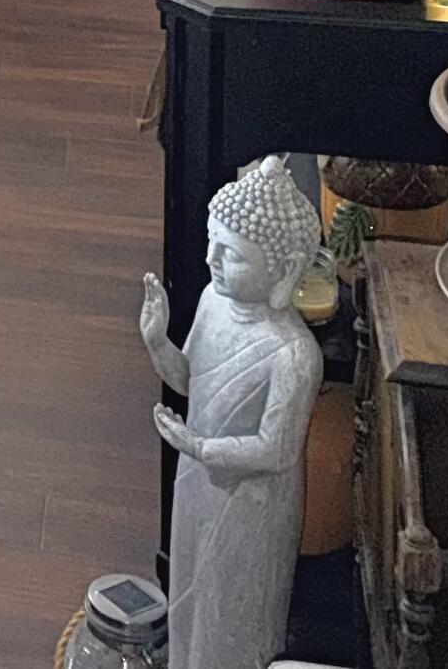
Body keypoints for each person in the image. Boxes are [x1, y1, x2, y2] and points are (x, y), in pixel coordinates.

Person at [138, 156, 325, 669]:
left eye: (233, 254)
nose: (213, 260)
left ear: (284, 270)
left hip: (253, 506)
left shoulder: (293, 353)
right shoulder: (209, 301)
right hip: (198, 481)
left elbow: (277, 449)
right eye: (211, 243)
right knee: (189, 596)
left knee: (235, 613)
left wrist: (198, 446)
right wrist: (158, 343)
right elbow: (187, 382)